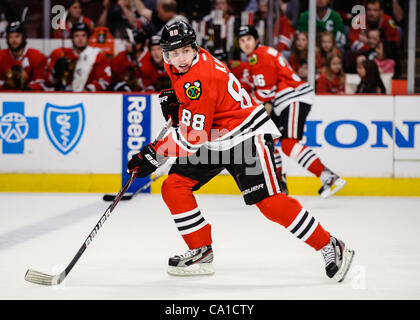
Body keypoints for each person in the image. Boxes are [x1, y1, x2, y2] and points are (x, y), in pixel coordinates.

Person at [126, 21, 355, 281]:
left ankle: (329, 244)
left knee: (269, 203)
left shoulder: (201, 76)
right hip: (214, 137)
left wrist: (153, 154)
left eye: (185, 51)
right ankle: (200, 251)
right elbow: (199, 112)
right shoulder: (178, 65)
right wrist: (179, 106)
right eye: (173, 53)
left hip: (245, 135)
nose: (179, 59)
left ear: (195, 48)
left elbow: (192, 137)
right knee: (174, 186)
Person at [238, 24, 346, 198]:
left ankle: (328, 176)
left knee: (288, 144)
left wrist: (248, 108)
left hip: (292, 96)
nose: (246, 43)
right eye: (242, 40)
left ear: (256, 40)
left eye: (249, 39)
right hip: (283, 101)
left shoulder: (259, 56)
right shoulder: (260, 55)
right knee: (269, 140)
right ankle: (280, 185)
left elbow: (266, 92)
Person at [46, 22, 111, 92]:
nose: (80, 39)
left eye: (83, 36)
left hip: (88, 98)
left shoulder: (97, 56)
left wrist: (87, 90)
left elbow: (104, 81)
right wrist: (54, 72)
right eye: (77, 36)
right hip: (63, 96)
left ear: (88, 38)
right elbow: (47, 83)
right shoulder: (60, 54)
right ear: (72, 38)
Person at [0, 21, 47, 91]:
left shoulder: (37, 56)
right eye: (10, 37)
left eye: (17, 36)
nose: (14, 40)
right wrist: (6, 84)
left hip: (31, 99)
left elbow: (42, 84)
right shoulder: (1, 56)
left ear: (24, 37)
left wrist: (25, 88)